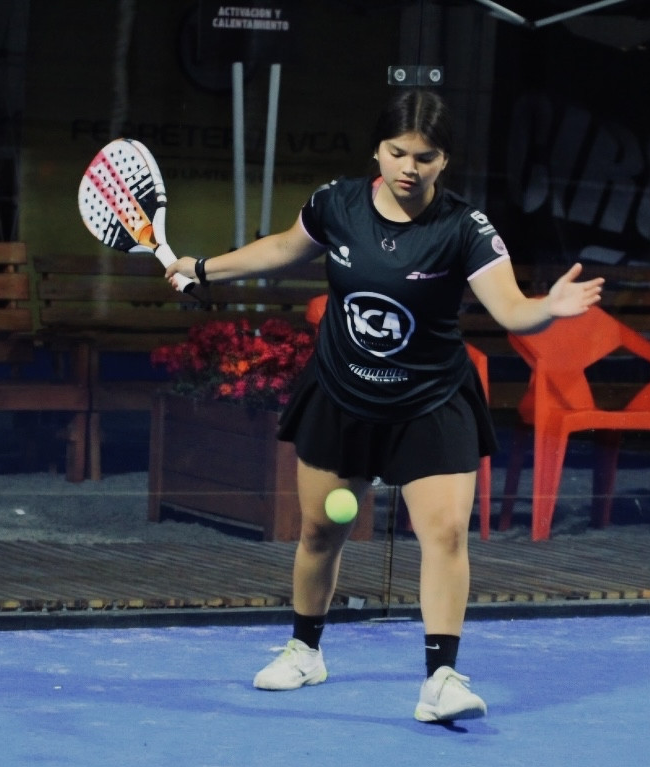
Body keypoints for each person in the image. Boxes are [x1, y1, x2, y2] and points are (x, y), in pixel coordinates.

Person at [165, 89, 603, 722]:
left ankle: (441, 679)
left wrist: (547, 310)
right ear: (377, 149)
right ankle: (304, 651)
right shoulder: (336, 205)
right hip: (343, 393)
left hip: (431, 401)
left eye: (424, 157)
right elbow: (283, 248)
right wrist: (204, 268)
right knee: (320, 531)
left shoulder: (465, 228)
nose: (409, 168)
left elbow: (509, 308)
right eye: (398, 152)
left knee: (445, 532)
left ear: (444, 160)